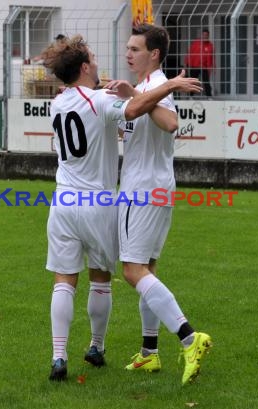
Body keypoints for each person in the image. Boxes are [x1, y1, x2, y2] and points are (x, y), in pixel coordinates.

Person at [41, 34, 202, 381]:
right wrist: (170, 83)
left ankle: (58, 357)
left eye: (133, 49)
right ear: (84, 67)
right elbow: (130, 110)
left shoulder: (58, 103)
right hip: (99, 201)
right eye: (94, 58)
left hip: (64, 199)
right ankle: (97, 346)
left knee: (64, 281)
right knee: (104, 279)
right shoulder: (100, 99)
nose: (104, 61)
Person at [118, 23, 212, 385]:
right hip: (158, 187)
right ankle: (149, 353)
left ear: (154, 54)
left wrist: (160, 90)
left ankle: (190, 338)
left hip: (141, 190)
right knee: (148, 272)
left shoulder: (156, 88)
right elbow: (130, 128)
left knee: (131, 270)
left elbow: (171, 123)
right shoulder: (143, 89)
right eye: (127, 47)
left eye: (135, 48)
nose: (128, 53)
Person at [185, 28, 215, 97]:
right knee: (193, 82)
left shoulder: (210, 45)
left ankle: (209, 96)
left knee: (206, 82)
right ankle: (190, 96)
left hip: (204, 67)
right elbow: (189, 53)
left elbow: (211, 57)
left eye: (206, 35)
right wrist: (186, 64)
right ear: (201, 35)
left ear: (208, 36)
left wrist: (211, 67)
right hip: (194, 66)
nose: (205, 36)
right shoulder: (196, 43)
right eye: (204, 35)